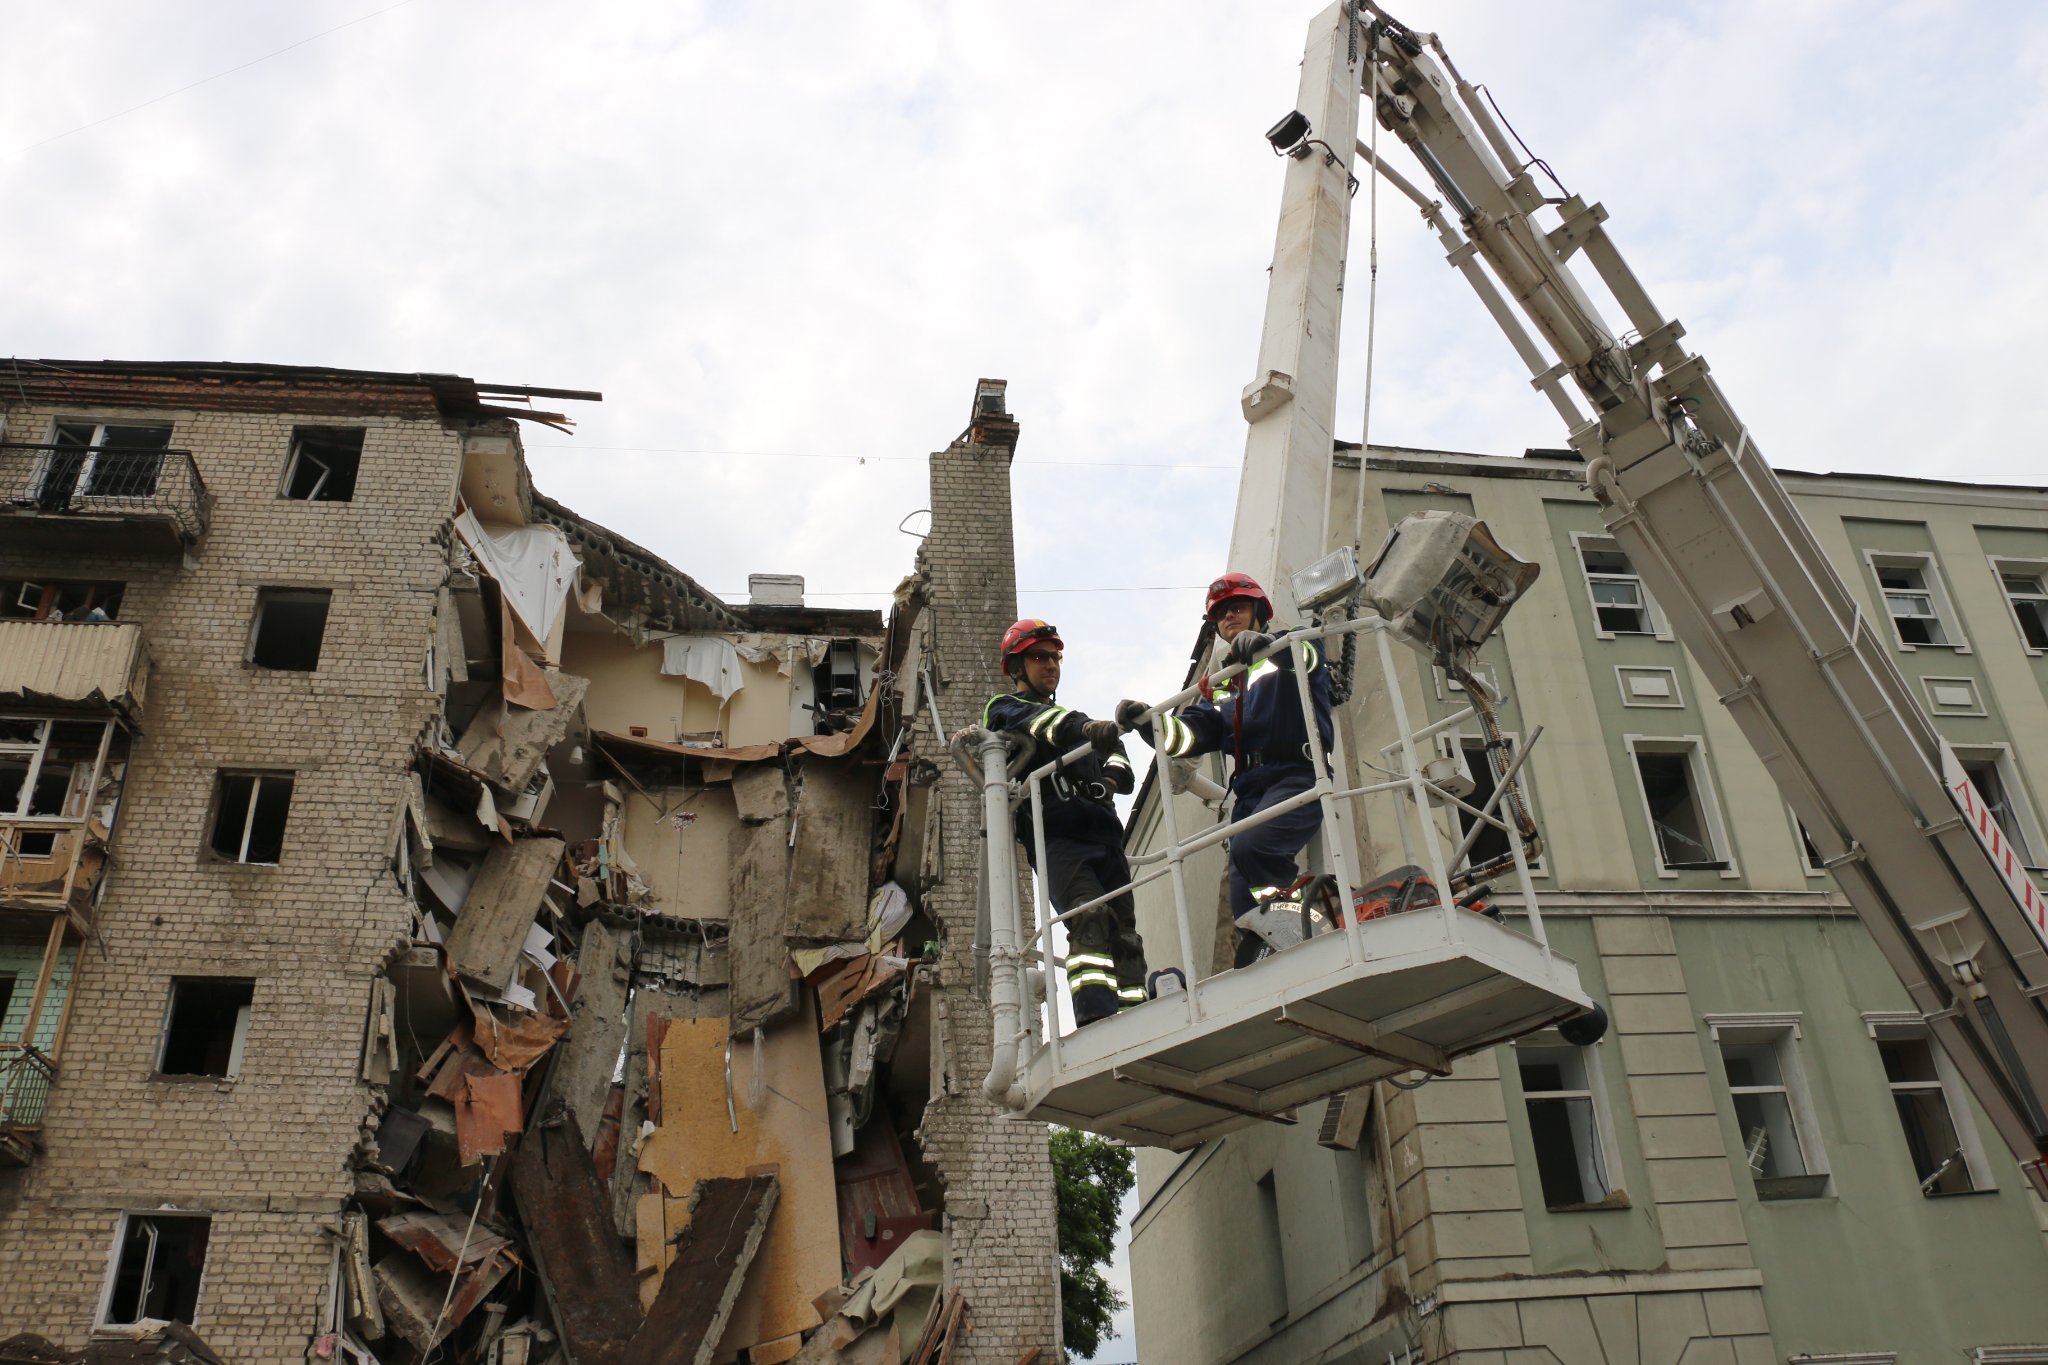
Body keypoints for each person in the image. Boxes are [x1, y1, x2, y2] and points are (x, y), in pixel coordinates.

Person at [1118, 572, 1334, 968]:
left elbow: (1309, 658)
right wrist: (1149, 724)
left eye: (1237, 608)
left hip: (1295, 772)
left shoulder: (1296, 641)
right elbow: (1188, 736)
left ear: (1258, 613)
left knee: (1256, 847)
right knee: (1241, 883)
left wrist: (1270, 648)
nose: (1229, 617)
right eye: (1220, 614)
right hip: (1250, 788)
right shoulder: (1224, 685)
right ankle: (1272, 945)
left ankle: (1300, 935)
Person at [984, 619, 1148, 1026]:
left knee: (1125, 935)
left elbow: (1119, 758)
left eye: (1055, 656)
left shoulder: (1079, 723)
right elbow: (1042, 725)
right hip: (1060, 838)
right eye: (1039, 657)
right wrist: (1085, 729)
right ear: (1016, 668)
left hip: (1107, 839)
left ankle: (1137, 1012)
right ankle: (1095, 1015)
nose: (1051, 664)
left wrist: (1109, 778)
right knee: (1088, 918)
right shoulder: (1005, 709)